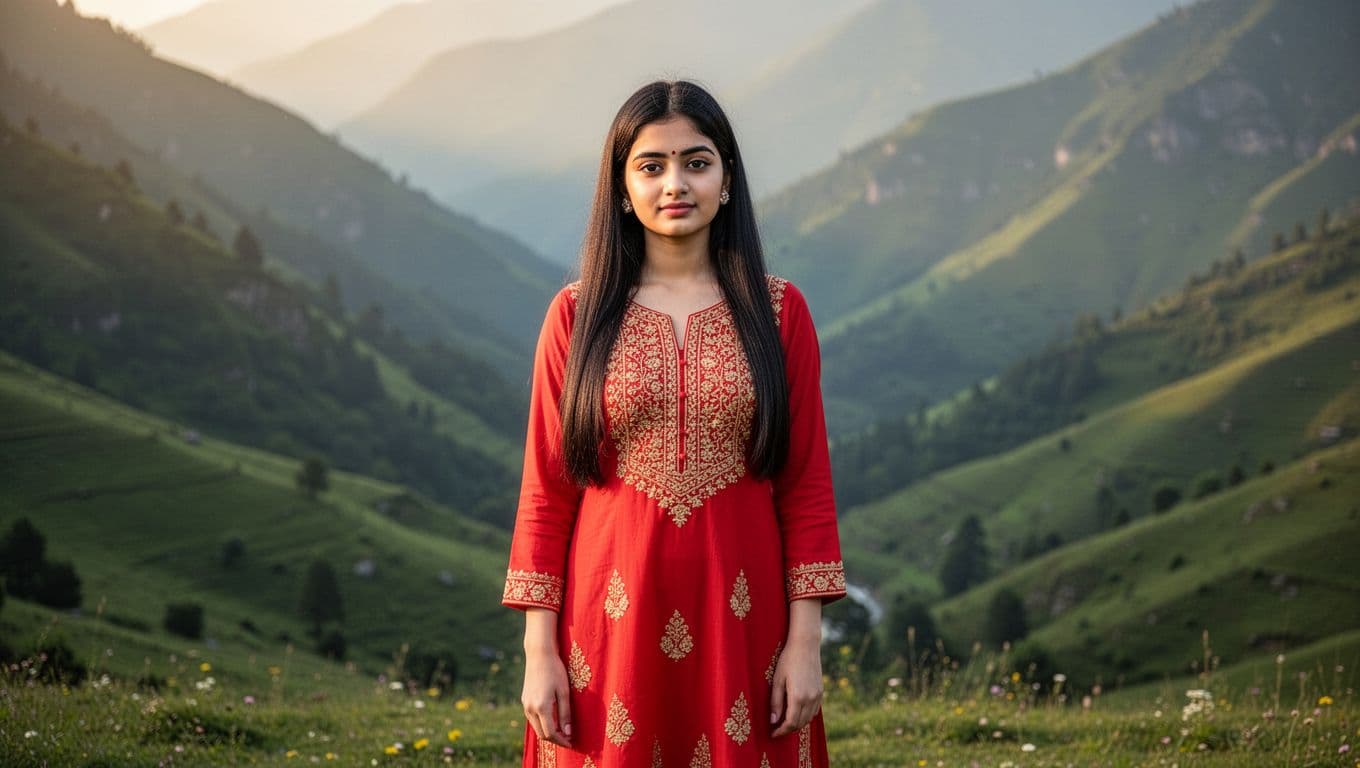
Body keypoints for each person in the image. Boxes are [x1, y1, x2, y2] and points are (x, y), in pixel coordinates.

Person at [502, 79, 846, 768]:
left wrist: (804, 646)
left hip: (745, 625)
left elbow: (804, 484)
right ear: (622, 188)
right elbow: (547, 491)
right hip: (608, 628)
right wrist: (540, 653)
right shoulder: (576, 316)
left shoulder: (780, 313)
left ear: (726, 180)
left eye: (697, 161)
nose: (675, 184)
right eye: (651, 166)